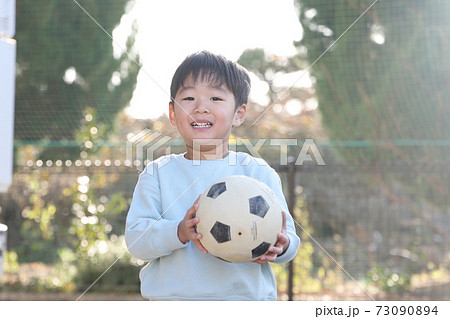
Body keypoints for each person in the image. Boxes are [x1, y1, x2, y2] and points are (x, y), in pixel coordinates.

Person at [125, 51, 300, 300]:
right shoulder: (157, 175)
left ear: (239, 114)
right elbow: (136, 241)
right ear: (173, 113)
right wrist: (179, 232)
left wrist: (281, 246)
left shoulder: (258, 174)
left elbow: (289, 237)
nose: (201, 107)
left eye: (216, 97)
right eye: (188, 97)